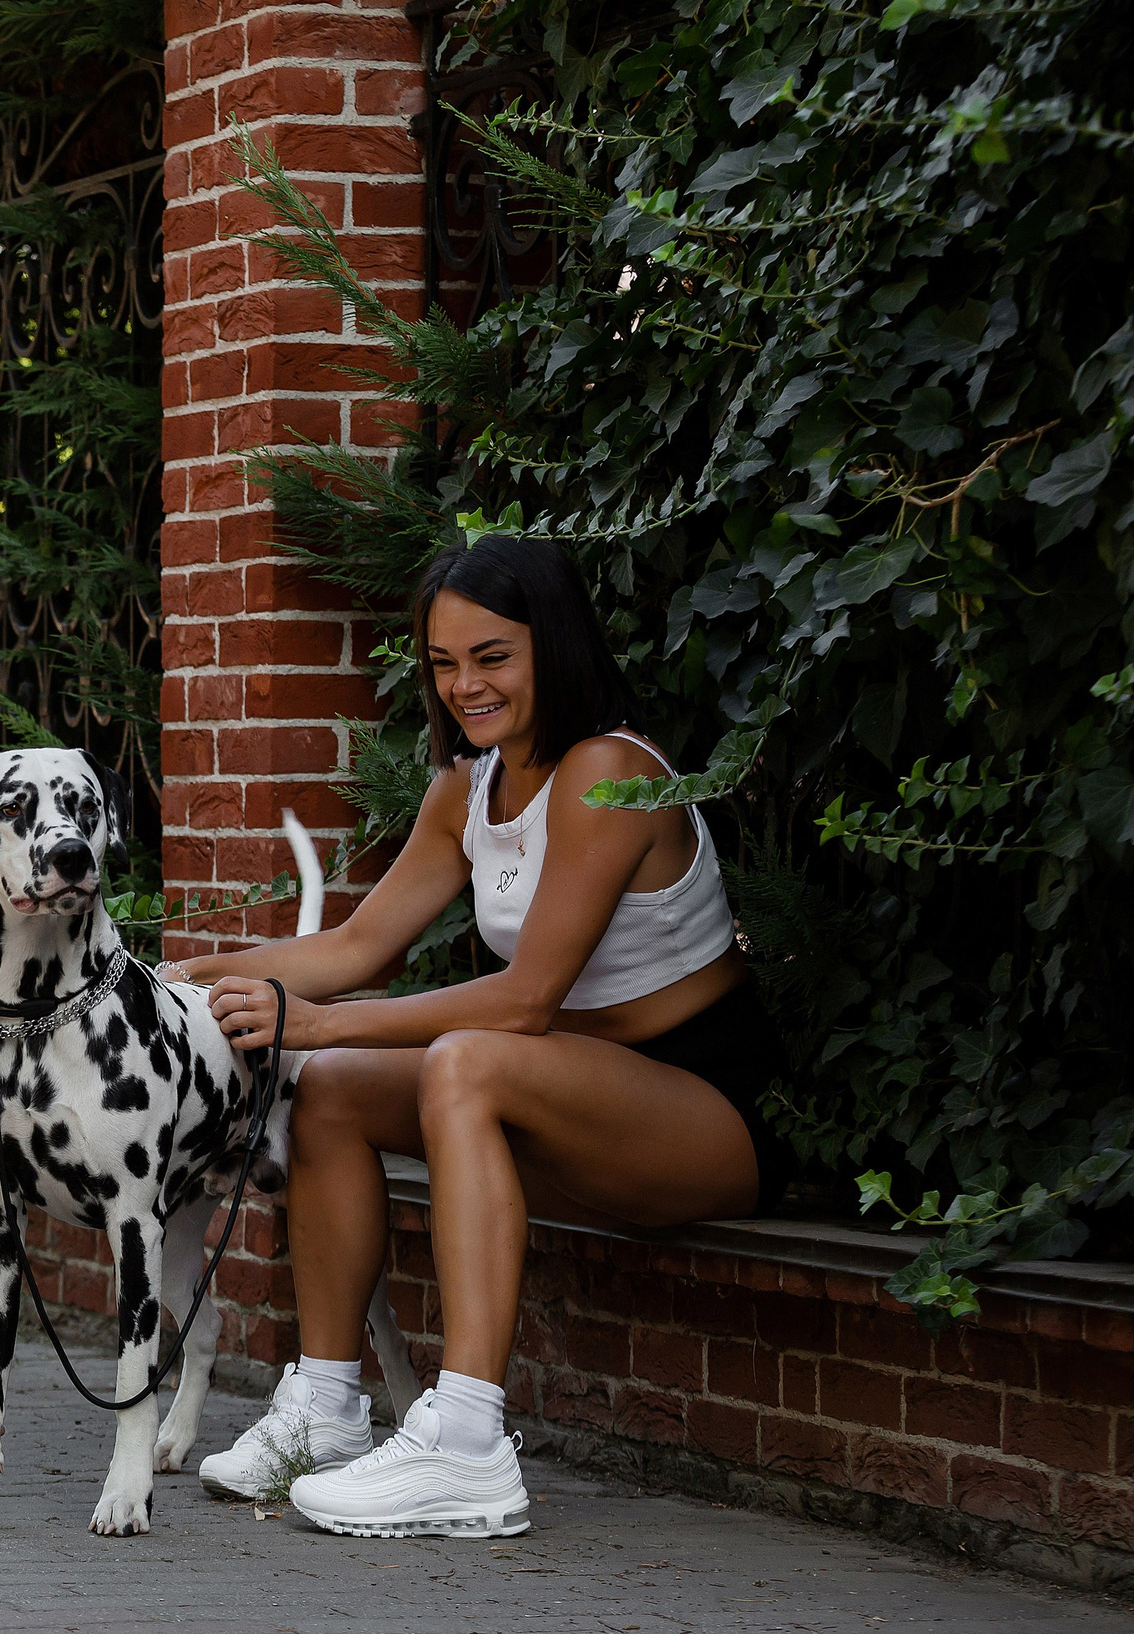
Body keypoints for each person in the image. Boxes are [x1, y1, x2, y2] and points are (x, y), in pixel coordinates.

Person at [156, 534, 791, 1539]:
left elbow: (526, 997)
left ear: (556, 643)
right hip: (562, 1100)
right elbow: (358, 941)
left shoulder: (607, 771)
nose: (464, 685)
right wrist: (174, 976)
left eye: (491, 656)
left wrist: (312, 1020)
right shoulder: (467, 788)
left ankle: (466, 1445)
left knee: (459, 1056)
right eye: (444, 662)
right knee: (333, 1085)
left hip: (696, 1115)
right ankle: (322, 1406)